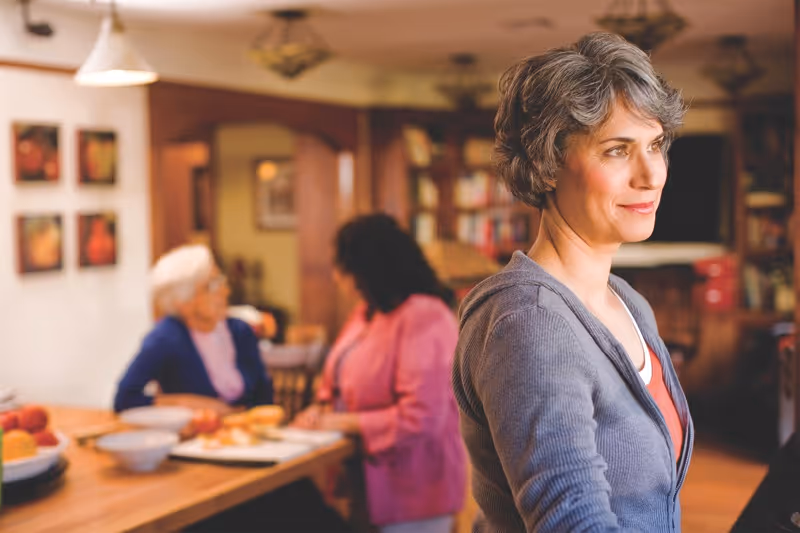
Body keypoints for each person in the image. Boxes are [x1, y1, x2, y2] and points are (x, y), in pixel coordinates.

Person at [452, 32, 694, 532]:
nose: (652, 175)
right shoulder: (529, 322)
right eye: (616, 150)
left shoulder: (627, 303)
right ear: (547, 162)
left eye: (655, 145)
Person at [293, 213, 466, 533]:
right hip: (360, 486)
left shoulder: (424, 317)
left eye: (339, 265)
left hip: (413, 492)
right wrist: (320, 409)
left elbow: (420, 418)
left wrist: (340, 421)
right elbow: (337, 381)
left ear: (363, 268)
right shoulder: (366, 313)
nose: (334, 276)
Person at [113, 244, 273, 414]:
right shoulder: (165, 338)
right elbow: (125, 399)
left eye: (221, 281)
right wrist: (189, 404)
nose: (225, 291)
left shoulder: (241, 331)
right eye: (211, 286)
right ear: (183, 302)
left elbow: (264, 398)